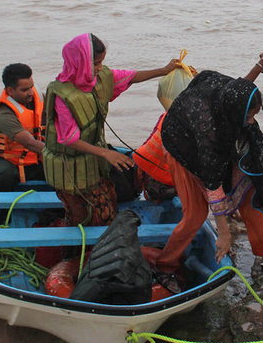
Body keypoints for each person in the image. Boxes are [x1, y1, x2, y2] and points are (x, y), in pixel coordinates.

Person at [153, 64, 263, 293]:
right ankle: (165, 265)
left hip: (220, 133)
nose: (251, 122)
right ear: (235, 113)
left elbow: (216, 80)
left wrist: (258, 68)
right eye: (248, 117)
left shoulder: (229, 93)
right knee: (196, 214)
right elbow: (212, 183)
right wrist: (224, 233)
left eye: (254, 116)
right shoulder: (208, 131)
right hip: (184, 147)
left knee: (253, 190)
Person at [42, 33, 179, 226]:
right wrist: (106, 154)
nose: (99, 68)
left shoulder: (99, 78)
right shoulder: (62, 96)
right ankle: (75, 250)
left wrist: (164, 70)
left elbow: (132, 77)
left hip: (94, 160)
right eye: (95, 63)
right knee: (82, 216)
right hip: (69, 166)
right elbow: (68, 139)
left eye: (101, 62)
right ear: (78, 61)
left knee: (108, 205)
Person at [0, 63, 46, 192]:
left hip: (35, 158)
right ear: (10, 91)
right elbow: (29, 143)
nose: (31, 93)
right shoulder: (4, 114)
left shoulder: (39, 98)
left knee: (62, 171)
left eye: (31, 87)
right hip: (8, 161)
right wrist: (60, 154)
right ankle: (0, 212)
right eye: (24, 90)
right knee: (6, 175)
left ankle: (53, 212)